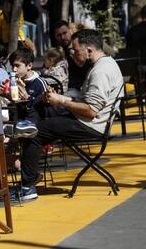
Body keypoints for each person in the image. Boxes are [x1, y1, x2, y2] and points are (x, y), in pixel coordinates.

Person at [12, 29, 124, 201]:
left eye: (75, 50)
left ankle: (27, 186)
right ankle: (30, 172)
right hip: (90, 121)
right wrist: (60, 98)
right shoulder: (105, 64)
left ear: (89, 50)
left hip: (91, 125)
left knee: (33, 132)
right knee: (40, 117)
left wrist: (63, 102)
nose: (72, 54)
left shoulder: (100, 71)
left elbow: (91, 110)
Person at [53, 20, 92, 98]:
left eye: (65, 33)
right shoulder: (57, 51)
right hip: (65, 88)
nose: (63, 37)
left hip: (81, 90)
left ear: (70, 31)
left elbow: (88, 68)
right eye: (59, 35)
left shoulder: (79, 47)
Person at [10, 48, 47, 127]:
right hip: (16, 119)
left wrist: (28, 98)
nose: (14, 69)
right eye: (12, 66)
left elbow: (44, 110)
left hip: (33, 123)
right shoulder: (14, 81)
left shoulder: (39, 83)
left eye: (17, 65)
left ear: (29, 66)